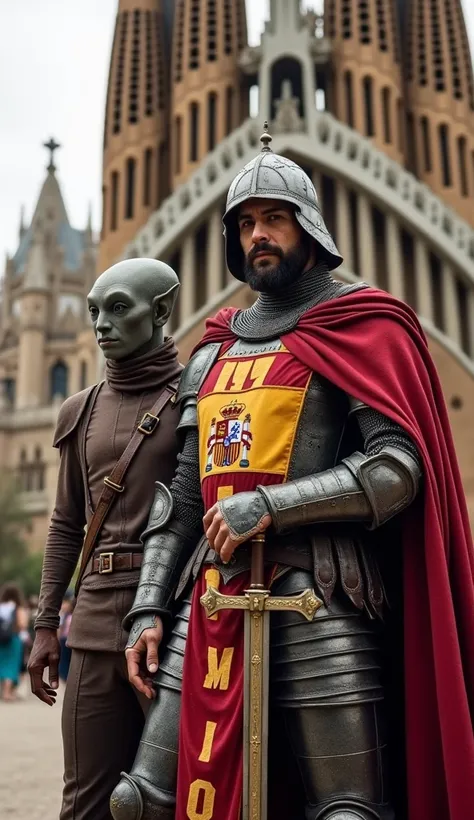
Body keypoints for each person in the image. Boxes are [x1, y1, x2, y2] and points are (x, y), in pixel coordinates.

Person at [112, 130, 474, 820]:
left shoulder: (361, 325)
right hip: (210, 601)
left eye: (274, 217)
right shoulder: (212, 349)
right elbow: (184, 495)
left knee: (346, 811)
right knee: (144, 800)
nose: (259, 236)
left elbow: (397, 468)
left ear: (308, 225)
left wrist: (273, 506)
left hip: (321, 595)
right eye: (246, 223)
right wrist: (149, 608)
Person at [27, 258, 183, 820]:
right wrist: (47, 625)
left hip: (172, 626)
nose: (101, 325)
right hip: (92, 628)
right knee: (86, 802)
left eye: (118, 308)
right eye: (95, 311)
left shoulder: (197, 401)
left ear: (161, 310)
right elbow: (66, 522)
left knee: (175, 798)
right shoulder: (80, 410)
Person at [0, 582, 29, 701]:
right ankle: (7, 693)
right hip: (13, 639)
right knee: (11, 665)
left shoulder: (1, 606)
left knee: (2, 664)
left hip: (1, 640)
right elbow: (22, 624)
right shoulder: (18, 608)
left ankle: (4, 692)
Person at [57, 593, 74, 682]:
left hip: (71, 640)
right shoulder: (63, 615)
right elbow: (59, 628)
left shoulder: (72, 615)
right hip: (64, 640)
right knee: (64, 660)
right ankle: (65, 677)